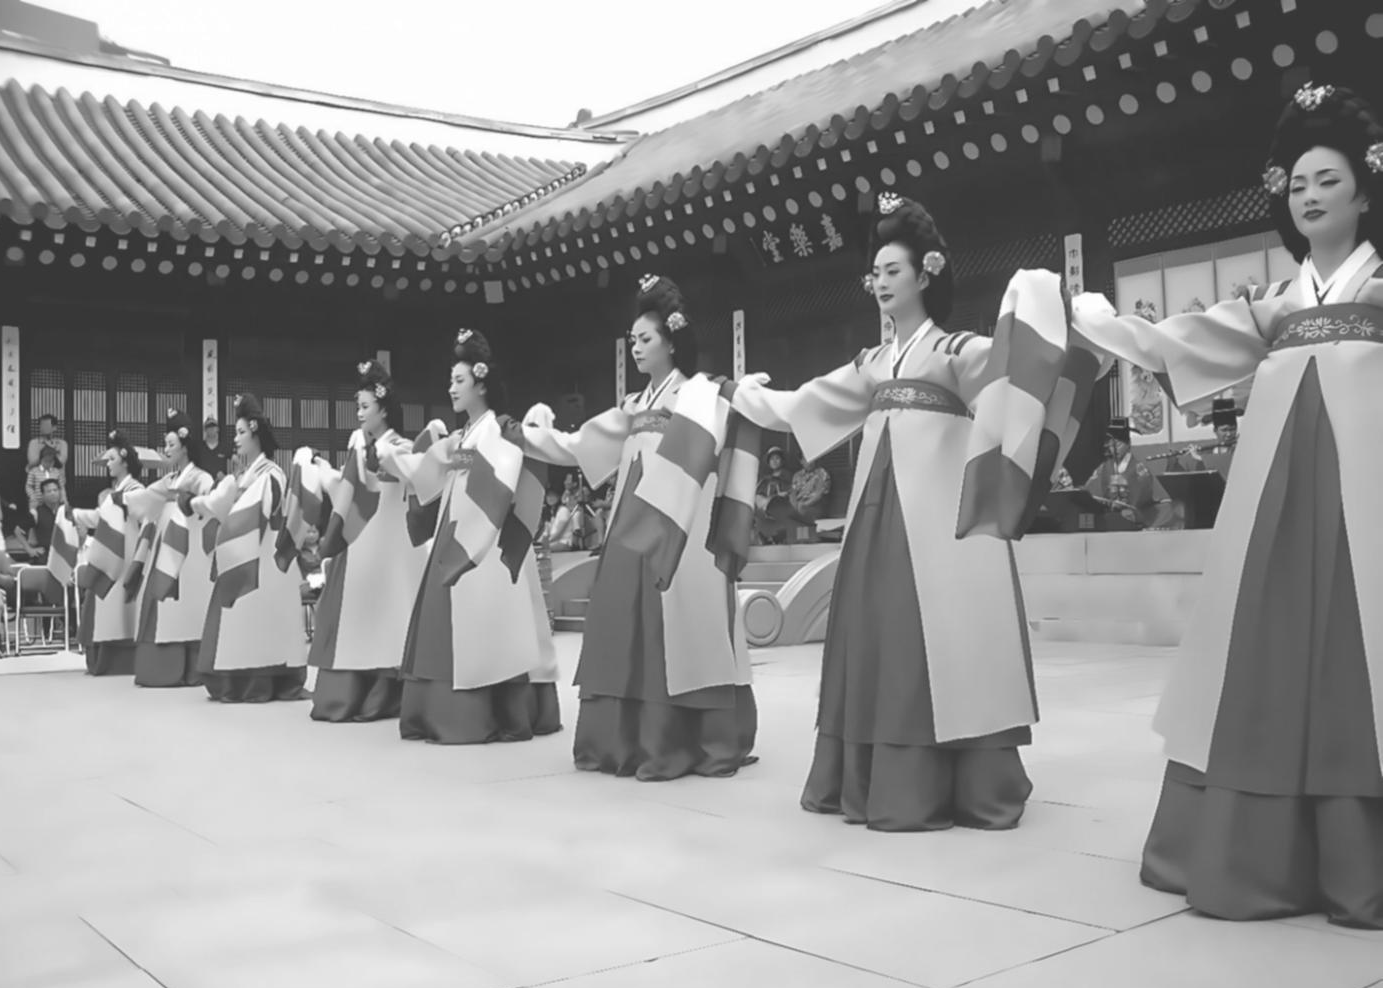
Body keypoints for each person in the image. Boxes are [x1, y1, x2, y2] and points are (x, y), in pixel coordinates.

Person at [1071, 83, 1383, 927]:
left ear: (1364, 187)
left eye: (1327, 179)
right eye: (1297, 185)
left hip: (1370, 506)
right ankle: (1258, 849)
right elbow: (1178, 340)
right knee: (1267, 656)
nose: (1310, 196)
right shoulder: (1276, 307)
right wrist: (1095, 318)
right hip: (1278, 512)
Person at [728, 194, 1046, 831]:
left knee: (939, 635)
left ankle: (953, 773)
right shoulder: (870, 364)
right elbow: (808, 402)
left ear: (926, 274)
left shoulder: (958, 351)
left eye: (892, 271)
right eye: (874, 273)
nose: (879, 283)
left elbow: (1014, 372)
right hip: (877, 517)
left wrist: (1033, 306)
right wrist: (750, 395)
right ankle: (877, 771)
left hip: (939, 519)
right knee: (878, 633)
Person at [522, 275, 757, 781]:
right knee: (624, 621)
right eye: (632, 341)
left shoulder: (698, 394)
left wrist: (749, 394)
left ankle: (681, 738)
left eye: (646, 339)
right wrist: (525, 436)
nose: (636, 348)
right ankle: (622, 739)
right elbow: (577, 445)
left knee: (679, 625)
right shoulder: (632, 407)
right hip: (629, 529)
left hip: (682, 526)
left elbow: (729, 430)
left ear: (673, 341)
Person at [381, 329, 559, 744]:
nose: (451, 388)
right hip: (456, 524)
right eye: (451, 380)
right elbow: (438, 466)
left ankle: (479, 713)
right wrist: (405, 459)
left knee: (482, 629)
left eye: (459, 380)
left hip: (483, 535)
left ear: (481, 383)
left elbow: (496, 478)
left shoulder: (497, 430)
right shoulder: (465, 436)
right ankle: (443, 708)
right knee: (451, 620)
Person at [305, 360, 430, 723]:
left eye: (365, 406)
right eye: (357, 407)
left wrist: (390, 460)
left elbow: (422, 472)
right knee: (358, 615)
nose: (359, 413)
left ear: (384, 408)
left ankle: (388, 692)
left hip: (394, 546)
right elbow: (344, 492)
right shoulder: (358, 447)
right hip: (360, 542)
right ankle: (356, 692)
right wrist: (323, 470)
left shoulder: (401, 447)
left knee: (392, 614)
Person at [186, 394, 308, 702]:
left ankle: (259, 679)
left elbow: (248, 515)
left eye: (241, 432)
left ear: (255, 433)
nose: (236, 439)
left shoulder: (270, 474)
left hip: (263, 557)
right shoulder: (247, 475)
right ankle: (242, 676)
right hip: (249, 553)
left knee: (257, 619)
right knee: (245, 619)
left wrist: (215, 502)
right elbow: (225, 508)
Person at [126, 410, 216, 688]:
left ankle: (192, 667)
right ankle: (164, 667)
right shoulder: (168, 480)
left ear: (186, 446)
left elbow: (210, 503)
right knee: (162, 602)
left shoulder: (201, 478)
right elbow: (144, 498)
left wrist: (189, 499)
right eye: (165, 445)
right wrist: (121, 497)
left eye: (171, 445)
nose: (166, 450)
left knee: (188, 603)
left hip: (192, 551)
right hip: (166, 547)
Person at [71, 430, 144, 676]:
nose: (108, 464)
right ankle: (103, 659)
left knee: (121, 606)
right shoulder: (116, 492)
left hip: (127, 554)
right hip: (110, 552)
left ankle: (121, 660)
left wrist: (80, 514)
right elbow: (101, 518)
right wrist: (77, 514)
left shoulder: (135, 490)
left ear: (125, 461)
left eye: (112, 459)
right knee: (104, 601)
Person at [1084, 418, 1159, 526]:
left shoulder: (1139, 469)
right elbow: (1091, 491)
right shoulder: (1104, 468)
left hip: (1133, 517)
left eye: (1118, 445)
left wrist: (1134, 511)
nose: (1114, 449)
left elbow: (1145, 498)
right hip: (1109, 516)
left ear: (1128, 444)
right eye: (1110, 446)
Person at [1165, 397, 1242, 479]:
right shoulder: (1208, 452)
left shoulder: (1240, 448)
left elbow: (1229, 462)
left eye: (1232, 429)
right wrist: (1174, 462)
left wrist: (1200, 458)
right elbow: (1192, 480)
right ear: (1215, 430)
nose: (1229, 434)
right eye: (1224, 430)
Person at [25, 444, 66, 512]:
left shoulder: (57, 472)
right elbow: (28, 486)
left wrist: (63, 498)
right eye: (46, 461)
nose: (48, 463)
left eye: (51, 461)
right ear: (41, 460)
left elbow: (61, 487)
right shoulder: (34, 471)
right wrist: (33, 497)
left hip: (54, 503)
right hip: (37, 502)